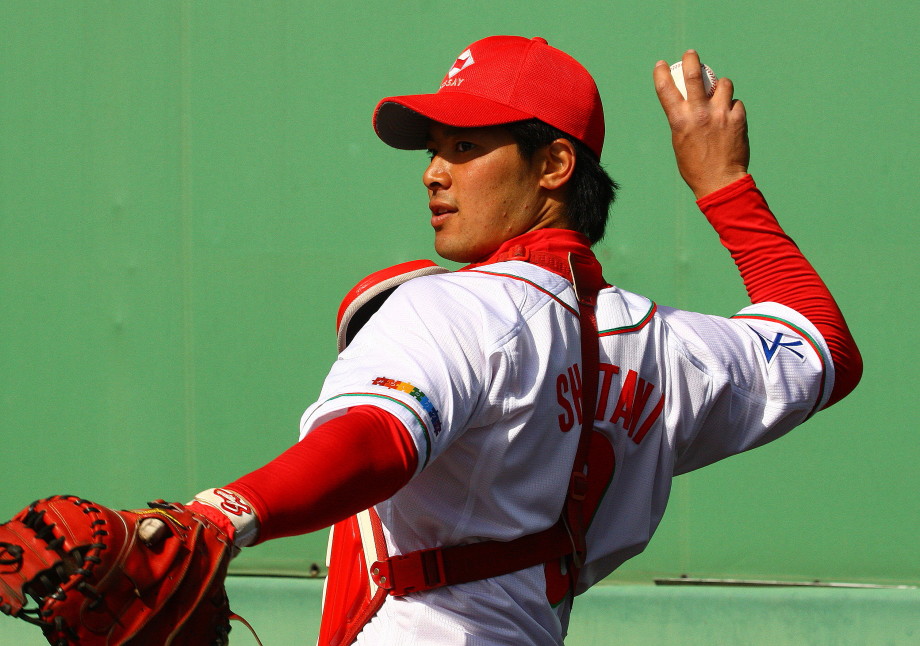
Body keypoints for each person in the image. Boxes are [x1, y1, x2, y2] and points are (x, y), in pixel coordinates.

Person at [177, 36, 862, 645]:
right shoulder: (664, 348)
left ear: (555, 163)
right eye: (435, 148)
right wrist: (724, 184)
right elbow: (824, 349)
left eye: (465, 147)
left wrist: (220, 517)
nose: (433, 172)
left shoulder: (455, 307)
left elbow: (375, 438)